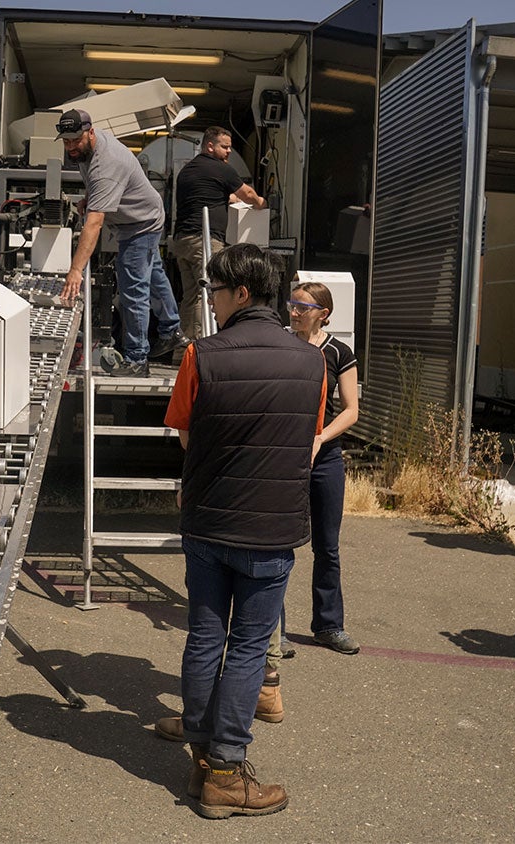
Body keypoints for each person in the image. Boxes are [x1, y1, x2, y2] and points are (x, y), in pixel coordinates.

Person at [158, 243, 326, 818]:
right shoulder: (312, 361)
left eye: (217, 290)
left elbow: (183, 435)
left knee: (205, 638)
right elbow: (307, 440)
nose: (211, 300)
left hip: (207, 521)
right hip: (271, 526)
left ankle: (203, 761)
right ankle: (228, 773)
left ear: (243, 294)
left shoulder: (199, 355)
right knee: (249, 646)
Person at [56, 108, 188, 375]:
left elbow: (94, 224)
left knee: (133, 289)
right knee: (153, 276)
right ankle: (171, 329)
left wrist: (75, 270)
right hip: (143, 215)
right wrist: (90, 198)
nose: (71, 146)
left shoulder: (106, 164)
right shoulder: (87, 149)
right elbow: (96, 185)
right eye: (66, 141)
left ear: (90, 132)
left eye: (75, 140)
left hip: (139, 223)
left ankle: (137, 360)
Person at [288, 281, 361, 654]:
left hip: (326, 457)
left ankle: (329, 625)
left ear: (324, 314)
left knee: (327, 547)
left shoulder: (338, 351)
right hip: (283, 455)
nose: (295, 311)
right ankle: (272, 630)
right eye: (292, 304)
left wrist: (320, 438)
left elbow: (351, 410)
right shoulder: (282, 345)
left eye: (303, 306)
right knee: (279, 541)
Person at [170, 126, 266, 339]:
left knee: (190, 295)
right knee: (210, 292)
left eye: (230, 147)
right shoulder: (221, 169)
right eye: (225, 147)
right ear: (210, 146)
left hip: (182, 240)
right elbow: (248, 194)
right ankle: (201, 345)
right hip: (204, 239)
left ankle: (184, 347)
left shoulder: (188, 170)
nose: (229, 151)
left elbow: (217, 196)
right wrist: (261, 202)